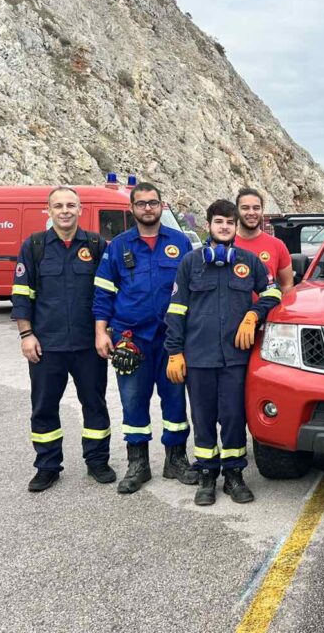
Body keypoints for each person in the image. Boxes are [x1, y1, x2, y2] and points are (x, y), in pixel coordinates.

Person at [165, 199, 283, 505]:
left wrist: (253, 314)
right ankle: (207, 476)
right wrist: (174, 352)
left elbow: (273, 291)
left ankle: (234, 476)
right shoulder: (191, 263)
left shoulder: (249, 261)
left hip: (235, 359)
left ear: (235, 227)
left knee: (232, 417)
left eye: (230, 223)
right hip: (199, 356)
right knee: (203, 418)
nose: (225, 227)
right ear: (209, 225)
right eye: (219, 222)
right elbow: (176, 310)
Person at [92, 182, 197, 494]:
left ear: (162, 206)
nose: (148, 208)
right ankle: (138, 464)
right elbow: (103, 293)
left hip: (172, 339)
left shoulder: (180, 242)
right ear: (132, 209)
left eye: (153, 203)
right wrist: (101, 332)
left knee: (176, 401)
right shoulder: (118, 247)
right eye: (142, 204)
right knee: (134, 401)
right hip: (131, 339)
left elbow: (193, 291)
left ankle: (175, 460)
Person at [12, 186, 114, 492]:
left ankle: (97, 461)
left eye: (71, 205)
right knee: (44, 407)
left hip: (88, 346)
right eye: (59, 206)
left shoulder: (96, 245)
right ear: (49, 210)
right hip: (47, 346)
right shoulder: (34, 246)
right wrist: (26, 334)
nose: (65, 210)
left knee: (94, 405)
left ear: (80, 209)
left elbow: (107, 292)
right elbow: (21, 295)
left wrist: (105, 331)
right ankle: (47, 467)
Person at [234, 188, 294, 294]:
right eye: (245, 208)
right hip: (234, 310)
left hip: (267, 309)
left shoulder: (277, 245)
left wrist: (278, 308)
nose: (251, 212)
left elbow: (287, 284)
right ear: (237, 211)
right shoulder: (226, 244)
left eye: (256, 208)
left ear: (262, 211)